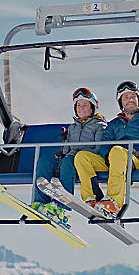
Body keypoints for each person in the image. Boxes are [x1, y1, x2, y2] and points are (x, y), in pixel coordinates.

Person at [73, 80, 139, 216]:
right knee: (82, 157)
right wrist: (109, 158)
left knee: (117, 151)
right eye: (126, 97)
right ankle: (91, 198)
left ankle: (114, 202)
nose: (130, 100)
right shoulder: (114, 124)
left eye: (133, 96)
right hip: (115, 161)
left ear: (138, 99)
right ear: (120, 102)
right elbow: (104, 145)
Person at [30, 87, 106, 223]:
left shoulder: (100, 126)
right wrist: (62, 154)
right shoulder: (73, 127)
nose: (81, 108)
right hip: (69, 158)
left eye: (85, 105)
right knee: (44, 161)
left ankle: (61, 207)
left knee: (67, 163)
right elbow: (66, 150)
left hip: (85, 161)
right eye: (78, 105)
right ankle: (41, 203)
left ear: (92, 108)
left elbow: (99, 149)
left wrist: (77, 157)